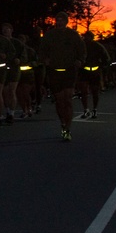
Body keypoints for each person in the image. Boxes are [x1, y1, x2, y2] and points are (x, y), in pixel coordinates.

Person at [38, 12, 86, 141]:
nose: (59, 23)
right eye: (57, 20)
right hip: (54, 70)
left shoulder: (73, 35)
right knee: (59, 100)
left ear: (66, 21)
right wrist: (45, 59)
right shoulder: (50, 35)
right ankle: (63, 124)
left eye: (61, 20)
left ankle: (68, 129)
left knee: (68, 99)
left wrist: (80, 60)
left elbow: (81, 50)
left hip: (69, 70)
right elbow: (42, 50)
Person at [77, 30, 110, 119]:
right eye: (85, 36)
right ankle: (86, 109)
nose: (87, 38)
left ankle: (94, 109)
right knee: (83, 92)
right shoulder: (81, 47)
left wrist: (101, 66)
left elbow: (106, 58)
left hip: (95, 71)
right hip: (84, 71)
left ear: (92, 37)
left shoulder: (98, 46)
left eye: (88, 37)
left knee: (95, 92)